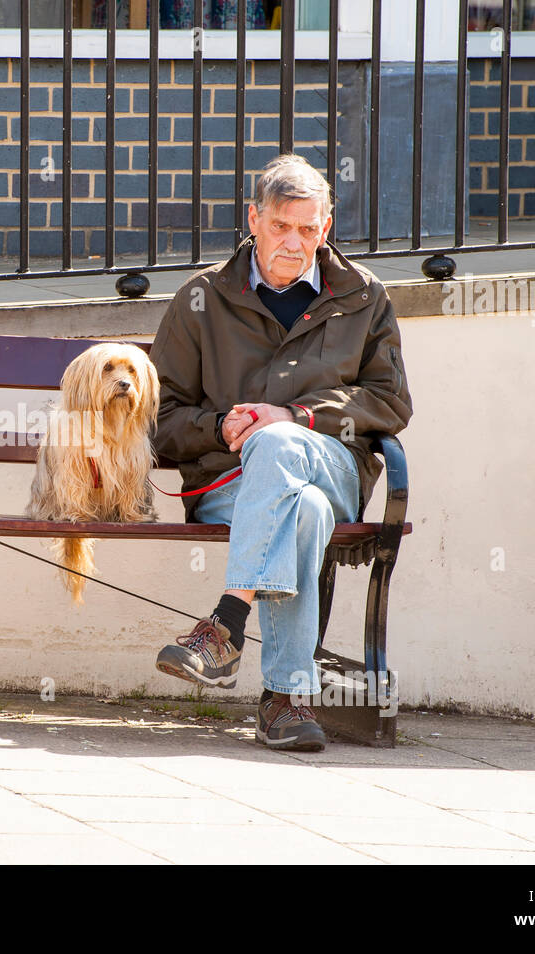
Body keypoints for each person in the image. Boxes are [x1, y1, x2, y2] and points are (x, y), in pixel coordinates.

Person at [149, 153, 413, 752]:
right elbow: (158, 422)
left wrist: (298, 417)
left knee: (279, 441)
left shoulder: (363, 297)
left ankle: (226, 623)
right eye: (281, 227)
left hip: (334, 462)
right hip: (230, 486)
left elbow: (390, 403)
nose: (295, 243)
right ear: (254, 219)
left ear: (327, 225)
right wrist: (220, 429)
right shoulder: (202, 299)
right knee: (305, 512)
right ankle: (287, 700)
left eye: (309, 229)